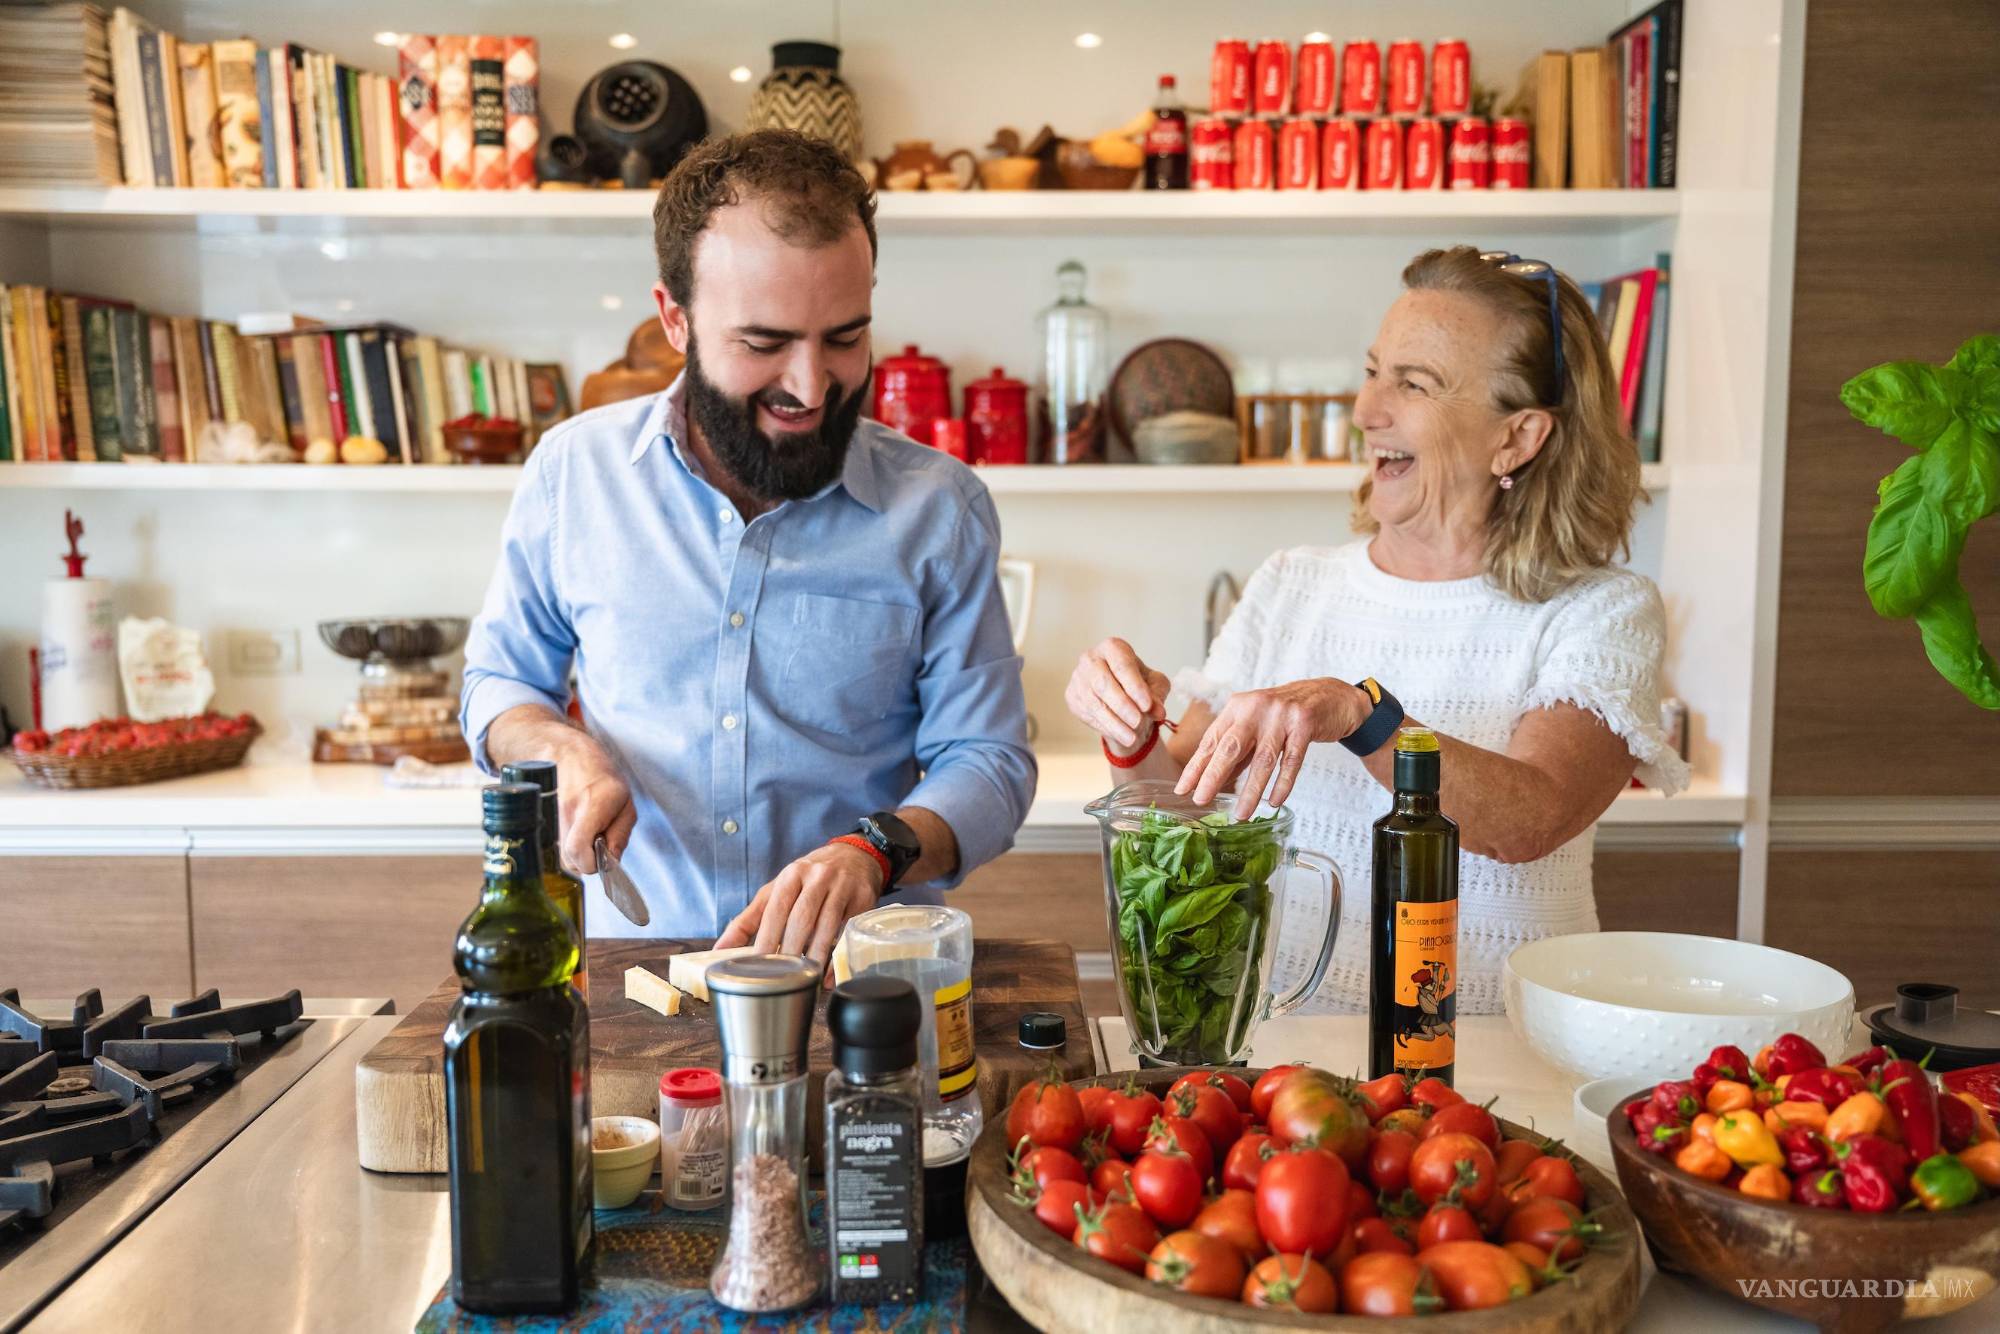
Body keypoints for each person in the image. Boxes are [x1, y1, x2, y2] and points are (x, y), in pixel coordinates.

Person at [1067, 245, 1688, 1014]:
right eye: (1373, 371)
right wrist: (1126, 727)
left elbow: (1533, 818)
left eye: (1414, 383)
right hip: (1287, 1054)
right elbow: (1181, 806)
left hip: (1500, 1061)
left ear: (1518, 437)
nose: (1366, 410)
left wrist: (1363, 715)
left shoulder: (1602, 608)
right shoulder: (1293, 582)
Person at [462, 130, 1035, 961]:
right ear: (675, 318)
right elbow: (500, 683)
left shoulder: (940, 510)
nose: (810, 386)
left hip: (861, 980)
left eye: (844, 337)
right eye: (764, 344)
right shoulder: (572, 475)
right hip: (633, 975)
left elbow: (988, 760)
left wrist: (876, 849)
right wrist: (562, 749)